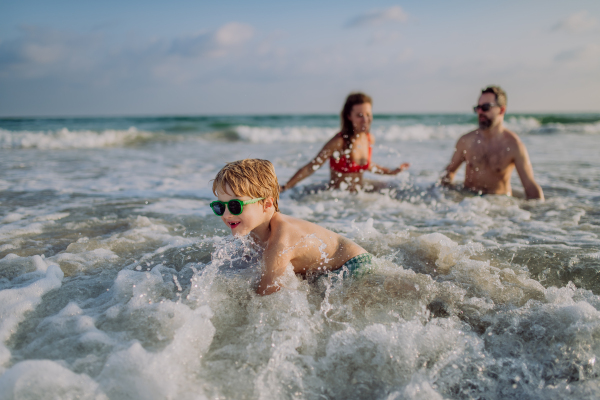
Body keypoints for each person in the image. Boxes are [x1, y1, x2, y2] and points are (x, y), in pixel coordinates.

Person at [210, 159, 374, 295]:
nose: (226, 215)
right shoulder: (256, 230)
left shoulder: (281, 240)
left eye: (234, 206)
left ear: (267, 204)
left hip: (353, 265)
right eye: (219, 207)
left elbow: (266, 295)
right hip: (325, 269)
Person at [280, 92, 409, 193]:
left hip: (358, 197)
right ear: (349, 116)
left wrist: (392, 172)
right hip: (337, 202)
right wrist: (286, 187)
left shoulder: (369, 138)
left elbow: (367, 165)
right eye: (359, 115)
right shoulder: (339, 141)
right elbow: (311, 166)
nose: (365, 119)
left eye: (368, 114)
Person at [441, 86, 544, 200]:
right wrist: (445, 198)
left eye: (486, 107)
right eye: (478, 108)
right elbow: (449, 173)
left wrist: (541, 213)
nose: (480, 112)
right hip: (468, 203)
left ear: (502, 110)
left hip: (499, 205)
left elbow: (530, 186)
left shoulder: (514, 146)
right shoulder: (466, 141)